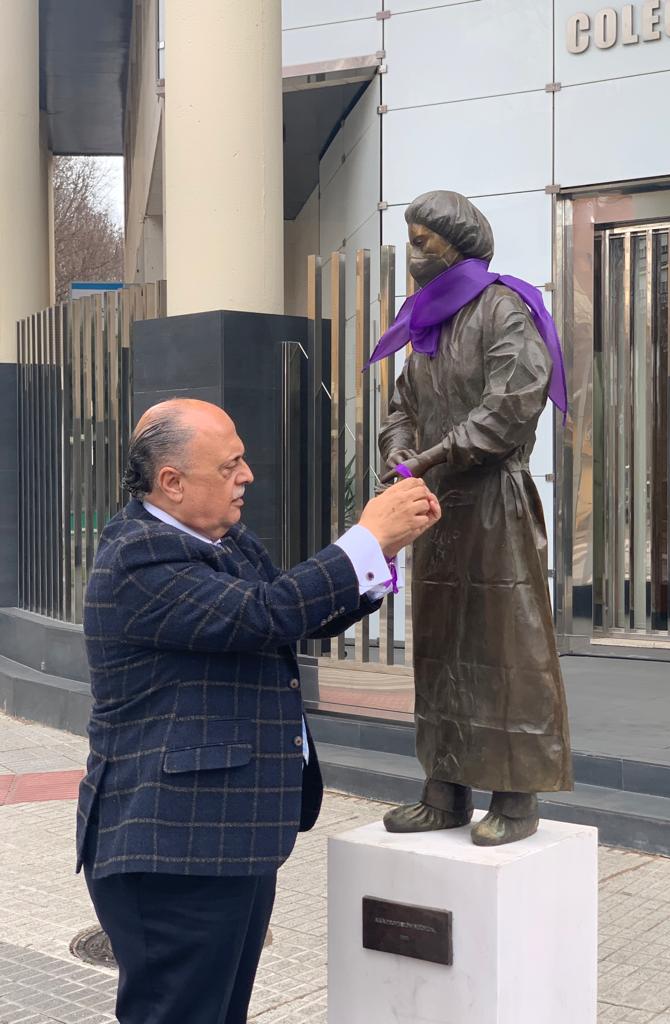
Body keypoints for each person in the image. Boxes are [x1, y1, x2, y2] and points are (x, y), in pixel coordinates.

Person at [75, 398, 440, 1024]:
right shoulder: (136, 558)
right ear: (172, 481)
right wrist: (366, 539)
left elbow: (284, 613)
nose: (246, 475)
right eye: (231, 464)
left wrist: (382, 557)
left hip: (226, 835)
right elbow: (263, 613)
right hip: (170, 848)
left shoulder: (221, 539)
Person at [374, 190, 572, 846]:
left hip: (492, 504)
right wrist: (399, 447)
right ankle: (443, 791)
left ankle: (515, 797)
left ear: (458, 244)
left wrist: (430, 455)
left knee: (504, 648)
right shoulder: (425, 328)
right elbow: (402, 404)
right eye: (410, 237)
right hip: (435, 508)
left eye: (424, 239)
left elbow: (511, 405)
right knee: (438, 649)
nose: (413, 252)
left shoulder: (504, 309)